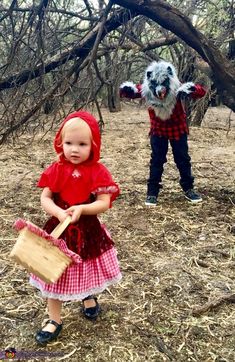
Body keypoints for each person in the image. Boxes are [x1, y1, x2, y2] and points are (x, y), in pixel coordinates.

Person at [30, 111, 122, 345]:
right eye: (69, 143)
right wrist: (59, 212)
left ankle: (87, 296)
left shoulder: (98, 171)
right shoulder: (56, 169)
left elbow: (103, 202)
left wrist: (82, 209)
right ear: (61, 142)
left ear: (94, 145)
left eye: (82, 144)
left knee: (85, 268)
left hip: (87, 230)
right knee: (54, 272)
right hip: (59, 229)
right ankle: (54, 319)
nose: (74, 149)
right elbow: (45, 198)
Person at [120, 60, 207, 205]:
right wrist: (126, 90)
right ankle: (152, 192)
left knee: (183, 159)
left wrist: (191, 89)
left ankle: (188, 188)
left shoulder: (177, 87)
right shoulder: (147, 88)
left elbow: (201, 92)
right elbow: (128, 91)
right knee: (157, 160)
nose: (160, 89)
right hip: (158, 130)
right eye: (155, 84)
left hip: (177, 129)